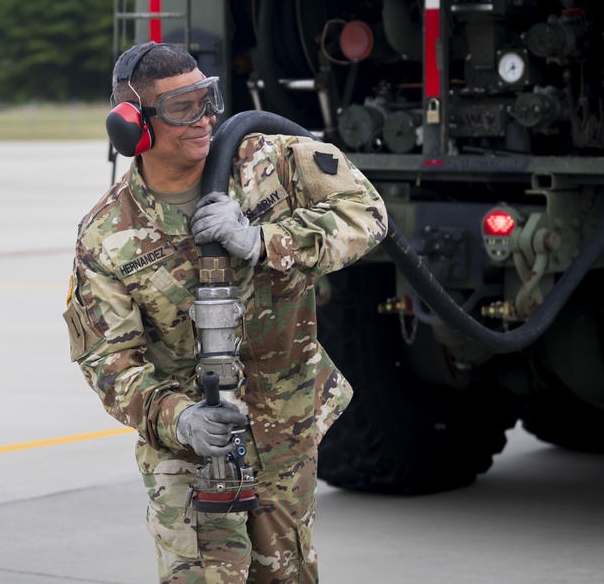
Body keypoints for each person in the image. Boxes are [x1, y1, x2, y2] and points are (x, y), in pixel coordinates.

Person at [63, 41, 387, 584]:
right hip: (188, 446)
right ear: (133, 127)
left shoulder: (268, 161)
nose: (205, 118)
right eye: (182, 108)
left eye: (207, 99)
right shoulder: (108, 235)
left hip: (284, 426)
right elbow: (109, 361)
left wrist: (266, 240)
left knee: (285, 574)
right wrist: (180, 419)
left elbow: (366, 212)